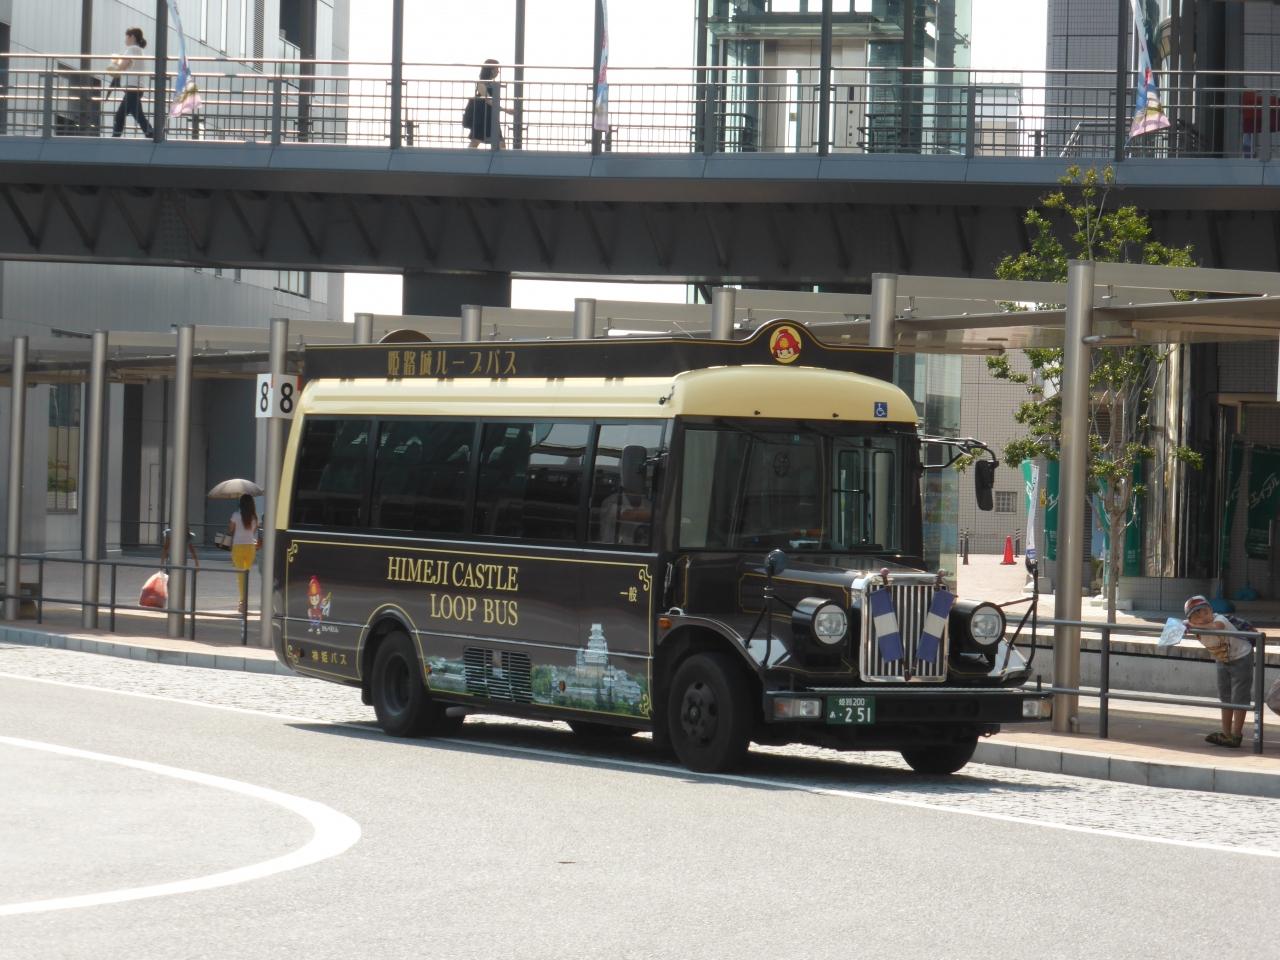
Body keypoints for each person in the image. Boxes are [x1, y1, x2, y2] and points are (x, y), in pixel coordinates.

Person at [1183, 595, 1256, 748]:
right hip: (1222, 658)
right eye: (1197, 615)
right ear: (1190, 618)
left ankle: (1236, 735)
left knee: (1240, 697)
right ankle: (1226, 733)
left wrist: (1191, 625)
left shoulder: (1219, 619)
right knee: (1225, 696)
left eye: (1205, 612)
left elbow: (1216, 627)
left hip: (1241, 656)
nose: (1203, 617)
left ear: (1212, 611)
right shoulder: (1192, 627)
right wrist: (1182, 627)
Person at [107, 27, 153, 139]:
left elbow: (122, 66)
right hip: (136, 88)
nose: (125, 40)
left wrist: (115, 65)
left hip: (132, 88)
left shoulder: (131, 49)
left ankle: (150, 132)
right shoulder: (139, 50)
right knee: (123, 114)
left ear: (132, 37)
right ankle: (116, 136)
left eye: (126, 37)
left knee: (133, 114)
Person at [467, 60, 514, 149]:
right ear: (491, 70)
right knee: (477, 140)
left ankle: (467, 157)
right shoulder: (481, 83)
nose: (498, 71)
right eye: (497, 69)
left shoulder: (491, 83)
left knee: (499, 142)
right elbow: (488, 100)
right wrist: (505, 110)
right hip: (482, 116)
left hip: (491, 115)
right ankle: (467, 157)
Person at [227, 494, 260, 614]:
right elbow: (253, 531)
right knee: (245, 575)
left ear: (241, 504)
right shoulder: (254, 517)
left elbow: (230, 529)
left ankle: (243, 602)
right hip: (250, 547)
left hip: (238, 547)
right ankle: (242, 602)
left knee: (240, 576)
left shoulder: (236, 515)